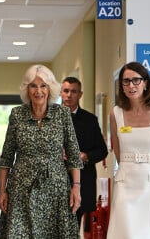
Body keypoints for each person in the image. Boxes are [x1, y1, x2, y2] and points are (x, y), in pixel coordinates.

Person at [0, 64, 83, 238]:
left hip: (56, 189)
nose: (38, 91)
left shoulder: (62, 114)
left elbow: (73, 154)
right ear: (27, 90)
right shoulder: (17, 115)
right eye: (33, 86)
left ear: (50, 89)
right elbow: (6, 157)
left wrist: (76, 187)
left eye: (43, 85)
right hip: (21, 189)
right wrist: (1, 191)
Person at [106, 61, 150, 239]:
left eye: (136, 80)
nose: (131, 85)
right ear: (121, 86)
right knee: (125, 232)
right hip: (126, 182)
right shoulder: (116, 114)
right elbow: (118, 150)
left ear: (145, 83)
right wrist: (129, 167)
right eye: (126, 81)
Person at [60, 76, 108, 234]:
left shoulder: (90, 120)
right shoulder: (49, 118)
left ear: (80, 94)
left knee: (74, 229)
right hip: (55, 183)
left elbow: (102, 150)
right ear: (61, 93)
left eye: (73, 91)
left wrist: (85, 156)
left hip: (83, 183)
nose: (69, 95)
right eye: (66, 91)